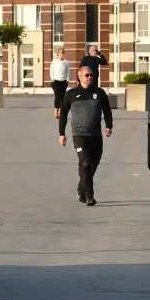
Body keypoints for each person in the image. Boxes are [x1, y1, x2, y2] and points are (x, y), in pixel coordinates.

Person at [58, 65, 113, 206]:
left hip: (95, 135)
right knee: (85, 164)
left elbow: (107, 111)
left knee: (93, 164)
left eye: (91, 75)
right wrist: (61, 134)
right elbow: (63, 113)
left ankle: (81, 188)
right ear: (80, 76)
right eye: (87, 75)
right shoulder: (71, 94)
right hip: (79, 135)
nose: (90, 78)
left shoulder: (99, 93)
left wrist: (108, 126)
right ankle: (89, 196)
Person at [50, 48, 71, 119]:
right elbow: (51, 71)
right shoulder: (54, 62)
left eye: (63, 52)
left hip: (63, 81)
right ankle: (56, 111)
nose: (62, 54)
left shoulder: (66, 62)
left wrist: (67, 80)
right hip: (55, 81)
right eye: (60, 53)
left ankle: (60, 112)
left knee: (62, 97)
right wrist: (52, 80)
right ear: (58, 53)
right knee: (57, 96)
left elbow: (68, 71)